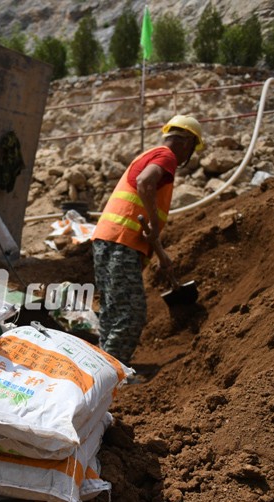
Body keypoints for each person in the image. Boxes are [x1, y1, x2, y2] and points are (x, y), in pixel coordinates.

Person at [91, 115, 204, 362]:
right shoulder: (167, 156)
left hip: (107, 238)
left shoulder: (152, 153)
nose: (190, 155)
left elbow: (141, 213)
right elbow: (144, 182)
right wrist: (153, 222)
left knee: (112, 311)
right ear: (187, 143)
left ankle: (100, 367)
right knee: (131, 315)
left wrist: (161, 254)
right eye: (193, 149)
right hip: (121, 241)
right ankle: (111, 373)